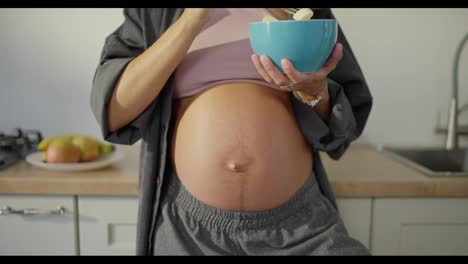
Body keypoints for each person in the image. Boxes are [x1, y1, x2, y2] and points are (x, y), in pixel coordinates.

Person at [90, 8, 373, 255]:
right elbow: (115, 112)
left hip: (299, 227)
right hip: (188, 233)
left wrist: (314, 92)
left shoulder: (304, 12)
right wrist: (193, 18)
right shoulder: (154, 14)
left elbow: (342, 129)